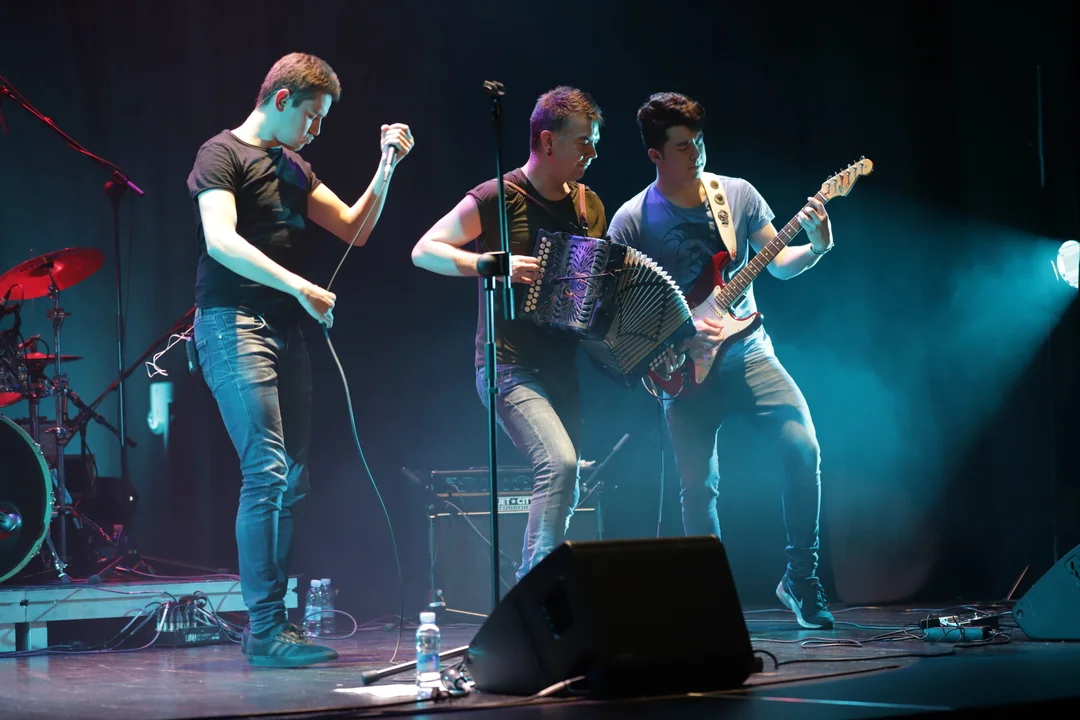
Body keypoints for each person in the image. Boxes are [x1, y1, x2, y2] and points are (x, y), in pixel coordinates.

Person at [187, 52, 414, 666]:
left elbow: (355, 228)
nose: (317, 130)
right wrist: (299, 286)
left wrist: (386, 165)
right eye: (312, 116)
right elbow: (220, 240)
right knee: (265, 471)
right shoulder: (221, 154)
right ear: (281, 99)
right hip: (232, 324)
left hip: (285, 331)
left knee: (292, 479)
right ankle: (265, 629)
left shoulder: (295, 167)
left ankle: (274, 629)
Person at [606, 92, 835, 629]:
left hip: (750, 352)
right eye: (683, 147)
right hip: (681, 371)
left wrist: (818, 245)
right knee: (698, 487)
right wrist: (673, 336)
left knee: (804, 449)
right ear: (655, 155)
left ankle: (800, 580)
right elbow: (615, 311)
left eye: (700, 141)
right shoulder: (632, 220)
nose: (697, 154)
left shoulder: (736, 195)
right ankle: (710, 596)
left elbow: (778, 264)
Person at [411, 86, 606, 582]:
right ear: (548, 141)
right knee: (559, 465)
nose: (592, 153)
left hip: (563, 372)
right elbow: (424, 250)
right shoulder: (498, 195)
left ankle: (546, 588)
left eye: (595, 142)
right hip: (508, 365)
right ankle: (533, 594)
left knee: (568, 482)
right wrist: (491, 263)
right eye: (583, 142)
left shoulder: (590, 206)